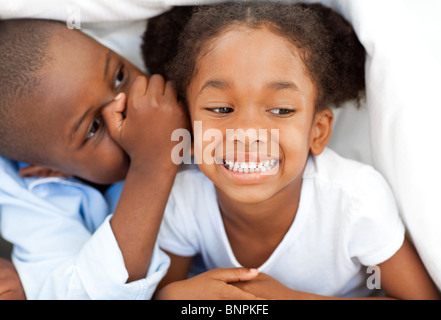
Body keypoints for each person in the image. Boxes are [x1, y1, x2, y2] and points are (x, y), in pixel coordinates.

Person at [142, 2, 440, 299]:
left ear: (317, 131)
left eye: (281, 110)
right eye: (220, 108)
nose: (247, 133)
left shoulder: (354, 203)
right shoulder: (184, 198)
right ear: (189, 125)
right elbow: (161, 292)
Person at [0, 18, 261, 300]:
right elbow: (85, 292)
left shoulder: (185, 74)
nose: (130, 109)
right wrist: (152, 164)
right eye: (93, 128)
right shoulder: (32, 202)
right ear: (48, 170)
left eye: (119, 77)